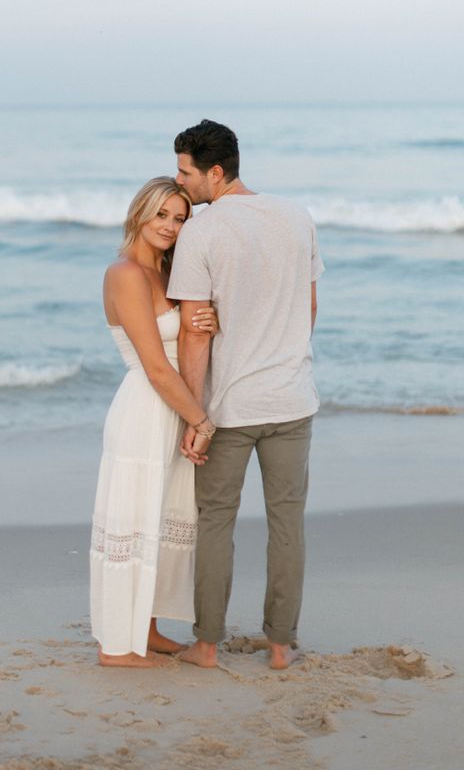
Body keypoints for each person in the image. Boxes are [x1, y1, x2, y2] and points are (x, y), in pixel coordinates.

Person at [166, 120, 324, 671]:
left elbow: (193, 330)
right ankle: (281, 648)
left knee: (215, 522)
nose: (179, 181)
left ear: (215, 171)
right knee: (288, 524)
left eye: (186, 171)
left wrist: (194, 414)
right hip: (292, 401)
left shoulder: (202, 233)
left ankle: (207, 646)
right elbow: (308, 307)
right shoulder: (296, 216)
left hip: (228, 408)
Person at [89, 176, 219, 668]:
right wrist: (201, 421)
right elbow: (155, 364)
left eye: (180, 218)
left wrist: (209, 322)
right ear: (140, 213)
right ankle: (116, 647)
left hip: (177, 405)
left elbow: (186, 340)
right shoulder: (124, 273)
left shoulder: (169, 274)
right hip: (147, 407)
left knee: (164, 521)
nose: (170, 226)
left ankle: (147, 629)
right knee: (133, 520)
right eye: (162, 214)